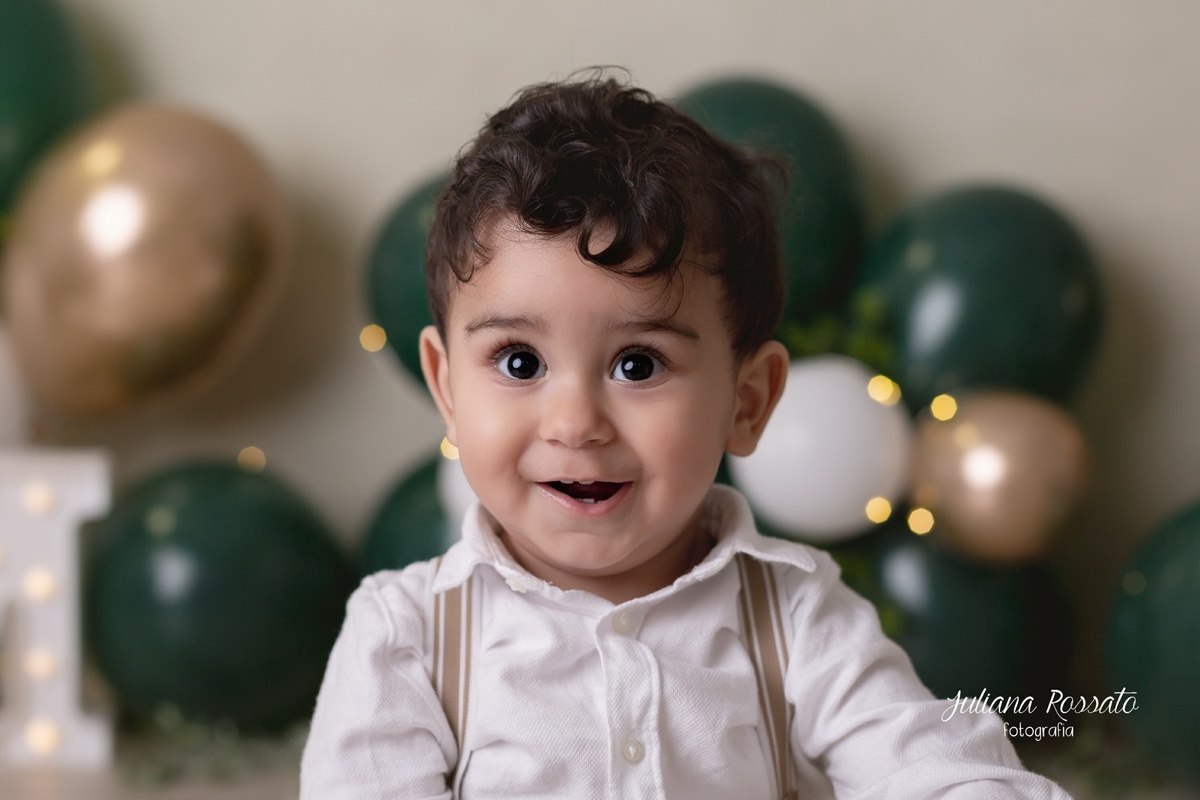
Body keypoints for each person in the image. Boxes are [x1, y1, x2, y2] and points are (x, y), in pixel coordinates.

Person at [300, 71, 1072, 799]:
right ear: (446, 387)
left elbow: (935, 769)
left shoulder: (796, 619)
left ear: (748, 400)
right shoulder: (407, 638)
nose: (575, 423)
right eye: (520, 361)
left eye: (637, 364)